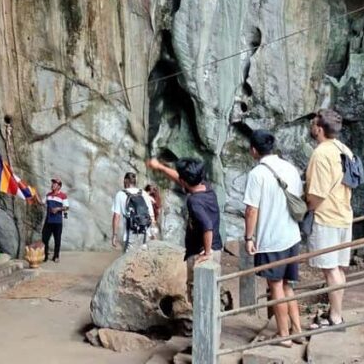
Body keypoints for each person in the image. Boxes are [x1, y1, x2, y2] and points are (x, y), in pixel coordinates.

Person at [242, 130, 304, 347]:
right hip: (292, 236)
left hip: (272, 238)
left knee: (275, 285)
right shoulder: (290, 168)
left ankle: (283, 334)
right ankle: (297, 331)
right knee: (288, 285)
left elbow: (251, 210)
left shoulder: (257, 174)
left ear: (253, 150)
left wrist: (249, 238)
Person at [146, 157, 223, 301]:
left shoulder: (194, 202)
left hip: (201, 252)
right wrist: (161, 167)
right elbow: (179, 178)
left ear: (184, 181)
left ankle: (198, 323)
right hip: (215, 247)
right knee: (211, 293)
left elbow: (207, 227)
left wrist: (206, 252)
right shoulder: (206, 187)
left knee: (198, 295)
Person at [305, 109, 354, 329]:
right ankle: (335, 313)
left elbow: (317, 193)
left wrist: (307, 208)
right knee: (339, 269)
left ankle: (335, 318)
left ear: (320, 128)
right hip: (344, 213)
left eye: (314, 123)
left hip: (327, 217)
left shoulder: (321, 153)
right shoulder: (344, 149)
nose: (311, 126)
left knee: (331, 269)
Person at [111, 172, 155, 252]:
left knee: (130, 263)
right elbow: (151, 215)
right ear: (135, 182)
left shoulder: (120, 194)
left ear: (125, 181)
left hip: (130, 236)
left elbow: (116, 216)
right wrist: (153, 233)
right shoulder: (144, 193)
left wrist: (114, 235)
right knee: (144, 261)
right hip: (145, 235)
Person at [40, 178, 68, 262]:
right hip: (48, 220)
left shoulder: (63, 195)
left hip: (57, 221)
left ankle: (56, 256)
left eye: (55, 184)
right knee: (45, 238)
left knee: (57, 239)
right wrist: (34, 195)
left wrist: (58, 209)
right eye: (52, 183)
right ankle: (45, 256)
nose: (52, 185)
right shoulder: (48, 195)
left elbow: (67, 207)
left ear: (59, 186)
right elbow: (41, 202)